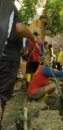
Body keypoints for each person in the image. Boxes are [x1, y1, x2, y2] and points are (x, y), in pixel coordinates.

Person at [0, 0, 36, 128]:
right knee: (1, 98)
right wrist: (33, 38)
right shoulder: (9, 6)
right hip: (6, 59)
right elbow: (20, 28)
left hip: (15, 58)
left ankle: (26, 84)